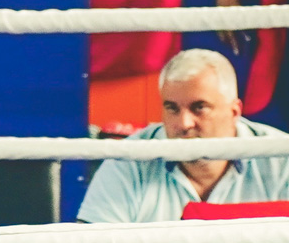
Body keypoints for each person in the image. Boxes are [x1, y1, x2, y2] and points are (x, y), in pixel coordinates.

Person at [77, 49, 289, 223]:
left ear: (234, 112)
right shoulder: (129, 161)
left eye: (199, 107)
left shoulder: (281, 158)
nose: (184, 124)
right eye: (172, 108)